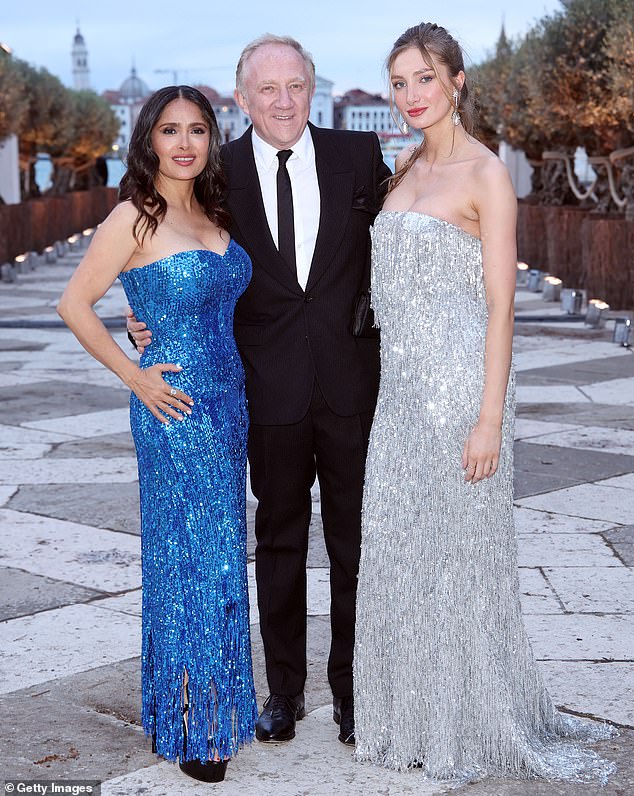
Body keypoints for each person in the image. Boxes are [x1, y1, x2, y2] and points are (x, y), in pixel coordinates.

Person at [353, 22, 616, 784]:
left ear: (457, 81)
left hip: (464, 389)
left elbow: (501, 305)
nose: (410, 97)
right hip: (399, 399)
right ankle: (409, 716)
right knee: (401, 556)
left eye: (424, 80)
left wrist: (489, 419)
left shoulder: (486, 175)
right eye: (399, 82)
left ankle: (465, 721)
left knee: (461, 564)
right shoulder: (401, 167)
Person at [129, 34, 391, 746]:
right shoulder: (216, 178)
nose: (283, 101)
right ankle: (284, 694)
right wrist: (145, 320)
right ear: (241, 98)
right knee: (277, 545)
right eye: (266, 89)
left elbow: (402, 245)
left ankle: (354, 691)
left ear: (314, 88)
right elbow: (176, 260)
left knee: (356, 546)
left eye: (295, 86)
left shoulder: (359, 159)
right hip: (262, 392)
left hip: (351, 387)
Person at [57, 85, 257, 783]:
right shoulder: (133, 217)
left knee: (215, 556)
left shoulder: (212, 211)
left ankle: (193, 713)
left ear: (211, 140)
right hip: (172, 407)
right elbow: (73, 303)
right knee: (196, 561)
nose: (183, 143)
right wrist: (134, 374)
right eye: (169, 130)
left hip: (228, 405)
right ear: (149, 141)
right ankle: (199, 730)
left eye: (197, 130)